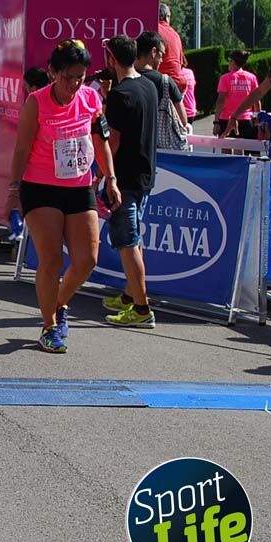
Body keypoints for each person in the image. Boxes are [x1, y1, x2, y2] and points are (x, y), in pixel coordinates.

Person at [7, 40, 120, 353]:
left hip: (79, 186)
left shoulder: (91, 98)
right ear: (52, 72)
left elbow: (101, 142)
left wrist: (110, 178)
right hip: (40, 187)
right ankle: (48, 326)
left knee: (87, 260)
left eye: (80, 77)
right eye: (68, 77)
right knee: (52, 258)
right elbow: (21, 148)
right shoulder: (37, 102)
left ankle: (58, 304)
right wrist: (14, 190)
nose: (74, 83)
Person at [101, 34, 159, 329]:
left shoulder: (120, 96)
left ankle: (140, 307)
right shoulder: (149, 86)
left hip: (124, 178)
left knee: (127, 242)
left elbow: (112, 142)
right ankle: (129, 296)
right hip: (145, 174)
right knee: (134, 240)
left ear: (111, 59)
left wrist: (101, 175)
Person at [136, 30, 188, 148]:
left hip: (131, 150)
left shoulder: (123, 80)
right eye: (161, 55)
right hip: (161, 151)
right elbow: (183, 120)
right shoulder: (165, 82)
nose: (162, 60)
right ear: (154, 52)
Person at [214, 50, 259, 139]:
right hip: (246, 118)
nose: (228, 63)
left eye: (229, 60)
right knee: (241, 148)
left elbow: (220, 101)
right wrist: (256, 118)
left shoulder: (225, 78)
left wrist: (216, 122)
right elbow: (256, 100)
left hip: (226, 118)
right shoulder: (251, 77)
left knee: (226, 148)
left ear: (233, 62)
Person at [156, 3, 188, 93]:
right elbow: (181, 64)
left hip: (161, 84)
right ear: (166, 17)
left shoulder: (154, 29)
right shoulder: (176, 35)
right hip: (177, 86)